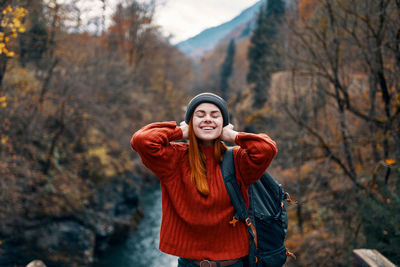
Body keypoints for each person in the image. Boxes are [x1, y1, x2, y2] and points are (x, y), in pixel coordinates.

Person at [130, 93, 277, 267]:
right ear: (190, 122)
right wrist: (182, 131)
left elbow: (267, 149)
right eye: (200, 115)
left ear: (224, 123)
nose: (207, 119)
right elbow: (141, 140)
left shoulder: (238, 160)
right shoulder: (173, 159)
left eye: (215, 116)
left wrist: (232, 136)